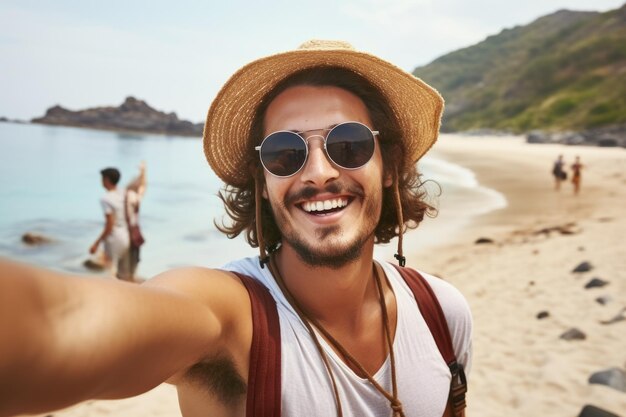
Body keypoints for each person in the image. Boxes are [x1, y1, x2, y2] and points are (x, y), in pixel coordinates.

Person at [0, 40, 472, 417]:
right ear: (263, 183)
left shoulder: (442, 314)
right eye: (285, 154)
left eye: (347, 144)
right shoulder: (233, 321)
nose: (318, 173)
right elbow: (59, 324)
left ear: (388, 166)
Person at [89, 167, 132, 280]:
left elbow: (110, 224)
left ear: (106, 180)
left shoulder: (106, 199)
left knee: (111, 272)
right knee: (123, 273)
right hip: (126, 236)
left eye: (102, 178)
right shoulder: (124, 194)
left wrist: (96, 243)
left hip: (114, 238)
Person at [124, 162, 147, 281]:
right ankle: (130, 278)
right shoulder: (134, 197)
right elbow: (143, 187)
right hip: (131, 231)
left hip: (122, 231)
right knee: (133, 260)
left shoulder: (123, 194)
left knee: (125, 262)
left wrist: (142, 172)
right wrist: (144, 172)